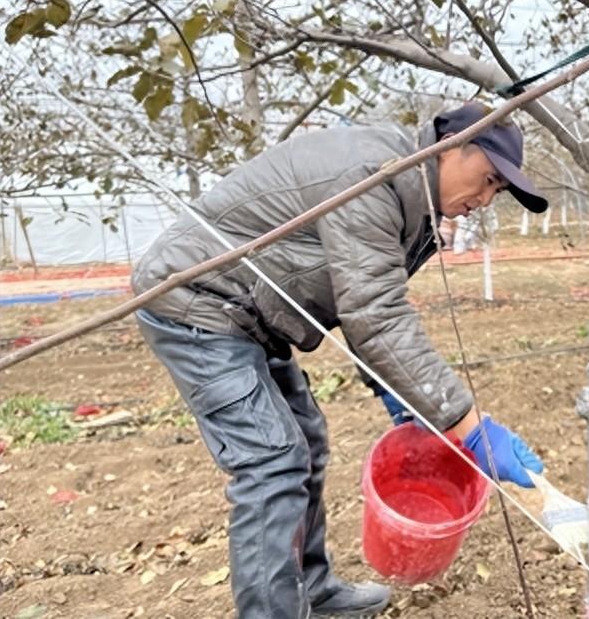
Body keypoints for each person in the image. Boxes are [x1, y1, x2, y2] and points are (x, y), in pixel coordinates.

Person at [130, 103, 549, 619]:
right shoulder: (374, 179)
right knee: (271, 460)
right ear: (452, 147)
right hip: (198, 301)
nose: (483, 200)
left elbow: (359, 302)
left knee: (304, 443)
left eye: (496, 192)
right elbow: (375, 316)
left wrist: (398, 391)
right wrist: (471, 427)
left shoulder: (410, 200)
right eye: (486, 180)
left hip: (249, 310)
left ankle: (313, 591)